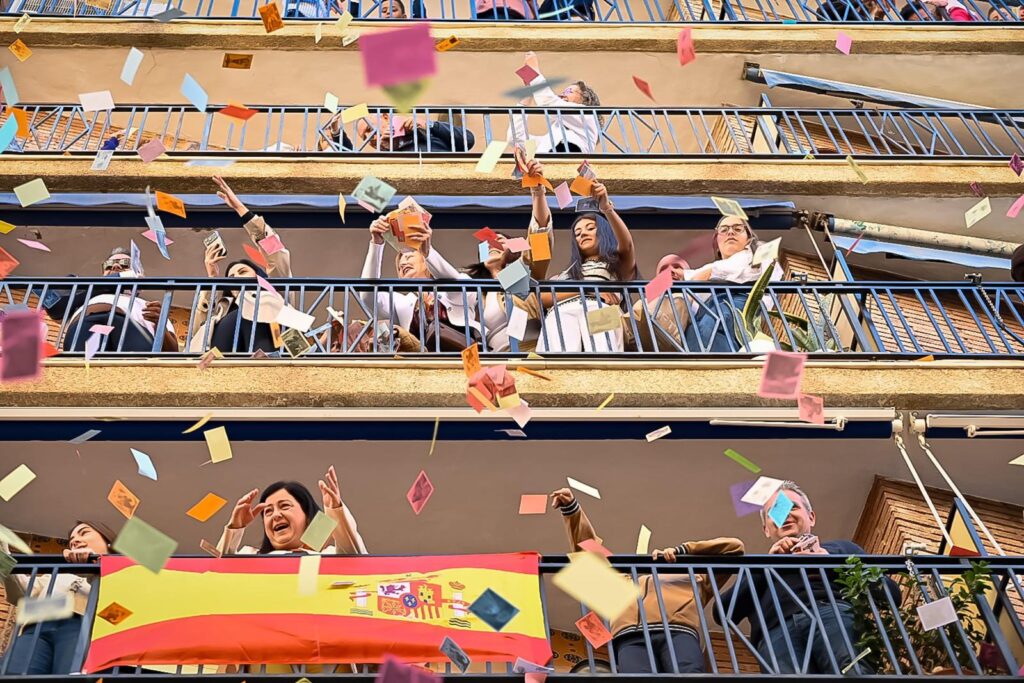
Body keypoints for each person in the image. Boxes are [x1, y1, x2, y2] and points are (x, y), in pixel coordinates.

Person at [549, 488, 743, 673]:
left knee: (688, 675)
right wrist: (572, 509)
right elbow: (588, 552)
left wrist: (683, 551)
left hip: (678, 632)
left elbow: (734, 548)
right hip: (628, 637)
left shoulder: (694, 577)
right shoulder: (621, 582)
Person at [715, 482, 896, 674]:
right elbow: (723, 612)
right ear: (766, 530)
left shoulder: (840, 549)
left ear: (811, 517)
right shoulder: (758, 569)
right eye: (775, 511)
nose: (785, 514)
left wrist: (831, 562)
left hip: (832, 615)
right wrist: (767, 564)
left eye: (793, 507)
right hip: (777, 635)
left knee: (852, 670)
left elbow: (891, 593)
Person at [188, 177, 293, 354]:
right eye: (231, 276)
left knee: (254, 306)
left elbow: (276, 253)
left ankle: (264, 362)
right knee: (242, 311)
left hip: (268, 349)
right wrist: (212, 278)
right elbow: (196, 333)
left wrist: (241, 209)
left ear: (258, 276)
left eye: (242, 271)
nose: (236, 277)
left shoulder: (275, 291)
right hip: (219, 359)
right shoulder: (221, 311)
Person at [535, 169, 636, 353]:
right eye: (578, 233)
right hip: (562, 310)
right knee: (560, 358)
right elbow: (545, 298)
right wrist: (590, 288)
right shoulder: (567, 272)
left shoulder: (615, 264)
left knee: (603, 356)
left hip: (601, 308)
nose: (583, 234)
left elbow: (627, 245)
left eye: (590, 228)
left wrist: (606, 208)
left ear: (603, 232)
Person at [2, 521, 116, 675]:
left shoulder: (120, 572)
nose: (75, 541)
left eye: (84, 533)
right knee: (14, 672)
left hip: (84, 627)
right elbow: (23, 592)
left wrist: (94, 571)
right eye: (71, 540)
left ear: (108, 543)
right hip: (36, 627)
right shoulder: (57, 574)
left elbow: (118, 608)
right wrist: (3, 552)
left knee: (70, 674)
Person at [360, 214, 482, 351]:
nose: (403, 263)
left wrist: (428, 252)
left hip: (461, 356)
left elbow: (452, 281)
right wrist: (376, 244)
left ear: (426, 262)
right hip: (422, 359)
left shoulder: (460, 284)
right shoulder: (403, 302)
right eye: (399, 266)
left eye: (409, 256)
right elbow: (367, 295)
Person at [681, 216, 783, 353]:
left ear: (748, 238)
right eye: (724, 230)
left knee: (710, 324)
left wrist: (702, 274)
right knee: (694, 334)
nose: (730, 232)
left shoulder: (758, 251)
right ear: (717, 242)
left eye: (737, 229)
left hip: (740, 302)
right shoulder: (715, 266)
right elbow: (695, 279)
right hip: (710, 307)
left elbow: (767, 275)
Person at [217, 467, 367, 555]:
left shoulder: (328, 555)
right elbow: (215, 574)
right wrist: (235, 528)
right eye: (268, 511)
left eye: (284, 506)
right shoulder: (248, 555)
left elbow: (356, 561)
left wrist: (335, 510)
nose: (276, 515)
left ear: (308, 517)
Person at [53, 247, 178, 352]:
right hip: (84, 325)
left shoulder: (149, 306)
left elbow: (172, 352)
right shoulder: (84, 296)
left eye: (125, 264)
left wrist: (160, 325)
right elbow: (53, 306)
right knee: (83, 368)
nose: (116, 266)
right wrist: (120, 277)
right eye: (109, 265)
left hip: (132, 330)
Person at [507, 52, 602, 155]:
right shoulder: (547, 141)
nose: (561, 95)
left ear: (586, 99)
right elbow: (515, 139)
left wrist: (533, 71)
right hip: (548, 164)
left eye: (568, 91)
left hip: (570, 163)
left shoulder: (587, 115)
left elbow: (548, 102)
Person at [321, 113, 476, 153]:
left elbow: (468, 140)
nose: (369, 138)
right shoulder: (380, 159)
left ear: (386, 117)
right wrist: (336, 132)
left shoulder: (426, 132)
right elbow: (352, 163)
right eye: (364, 138)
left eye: (369, 129)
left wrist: (429, 125)